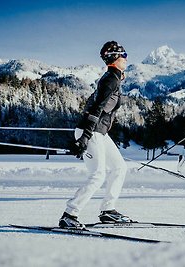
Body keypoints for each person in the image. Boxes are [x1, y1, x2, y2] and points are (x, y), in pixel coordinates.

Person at [59, 41, 132, 229]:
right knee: (97, 175)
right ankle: (70, 215)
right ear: (115, 58)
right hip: (91, 131)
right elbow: (96, 108)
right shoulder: (110, 80)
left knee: (119, 168)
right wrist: (85, 136)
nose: (126, 58)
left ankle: (109, 211)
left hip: (99, 132)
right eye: (123, 55)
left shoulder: (114, 78)